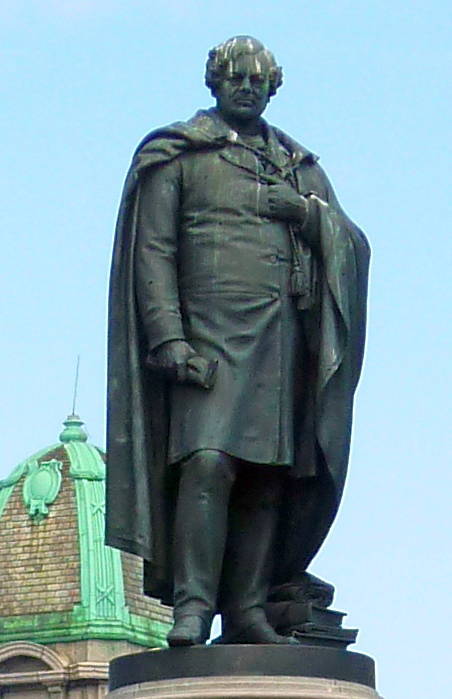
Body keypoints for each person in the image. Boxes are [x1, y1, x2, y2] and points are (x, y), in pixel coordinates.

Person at [106, 36, 370, 646]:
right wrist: (168, 338)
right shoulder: (179, 154)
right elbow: (154, 250)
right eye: (233, 78)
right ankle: (192, 607)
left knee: (266, 476)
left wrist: (306, 214)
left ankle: (246, 608)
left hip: (280, 340)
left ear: (273, 86)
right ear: (214, 84)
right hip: (208, 342)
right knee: (207, 464)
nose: (245, 87)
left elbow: (353, 246)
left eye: (256, 79)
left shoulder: (301, 168)